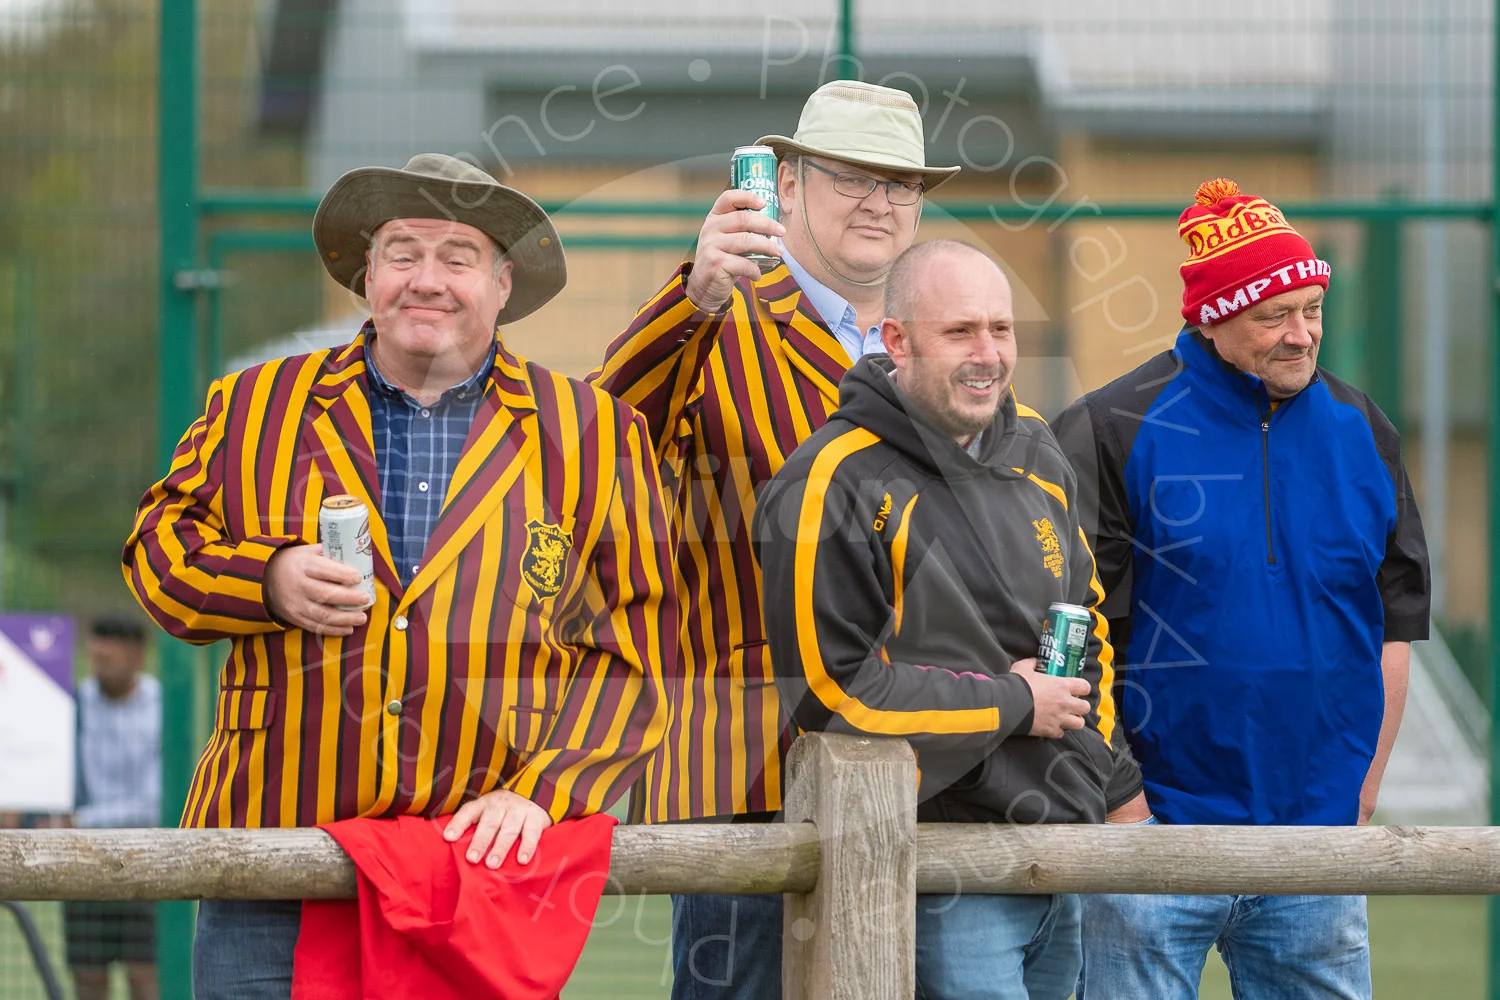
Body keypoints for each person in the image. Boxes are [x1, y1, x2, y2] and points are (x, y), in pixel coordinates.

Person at [123, 153, 675, 999]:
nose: (427, 280)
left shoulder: (597, 433)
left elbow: (639, 646)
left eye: (457, 258)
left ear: (501, 285)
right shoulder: (252, 404)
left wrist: (547, 790)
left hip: (478, 874)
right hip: (275, 850)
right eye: (401, 252)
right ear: (366, 276)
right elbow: (157, 551)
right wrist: (265, 581)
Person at [588, 78, 962, 998]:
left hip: (926, 757)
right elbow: (601, 439)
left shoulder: (935, 341)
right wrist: (698, 297)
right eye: (852, 177)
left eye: (901, 183)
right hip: (740, 756)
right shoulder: (718, 308)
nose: (880, 201)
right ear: (786, 184)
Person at [1056, 179, 1430, 999]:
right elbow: (1068, 637)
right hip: (1155, 840)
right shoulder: (1108, 429)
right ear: (1211, 316)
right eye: (1273, 316)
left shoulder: (1363, 430)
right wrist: (1126, 812)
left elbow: (1393, 622)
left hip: (1319, 841)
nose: (1302, 336)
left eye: (1313, 310)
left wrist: (1359, 792)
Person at [755, 239, 1123, 999]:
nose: (988, 354)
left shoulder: (1038, 448)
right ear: (897, 341)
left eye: (1002, 328)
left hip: (1060, 855)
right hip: (932, 867)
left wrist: (1097, 766)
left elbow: (1086, 619)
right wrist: (1014, 704)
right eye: (961, 332)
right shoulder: (829, 479)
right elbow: (831, 692)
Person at [64, 615, 161, 1000]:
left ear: (136, 657)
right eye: (94, 656)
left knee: (145, 976)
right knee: (88, 978)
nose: (98, 663)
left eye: (108, 657)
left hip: (145, 857)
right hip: (81, 857)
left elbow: (154, 804)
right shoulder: (73, 703)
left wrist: (79, 820)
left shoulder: (162, 707)